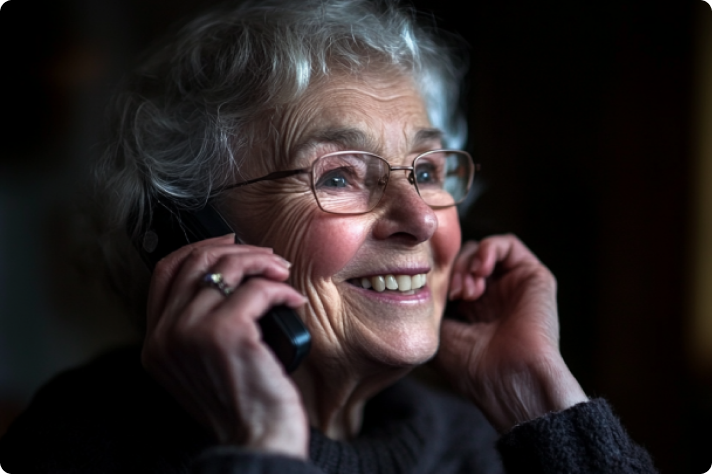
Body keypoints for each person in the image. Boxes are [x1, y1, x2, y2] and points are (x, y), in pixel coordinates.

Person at [0, 0, 657, 472]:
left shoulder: (483, 447)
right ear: (187, 231)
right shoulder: (78, 444)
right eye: (340, 176)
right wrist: (261, 443)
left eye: (426, 170)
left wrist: (543, 402)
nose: (421, 219)